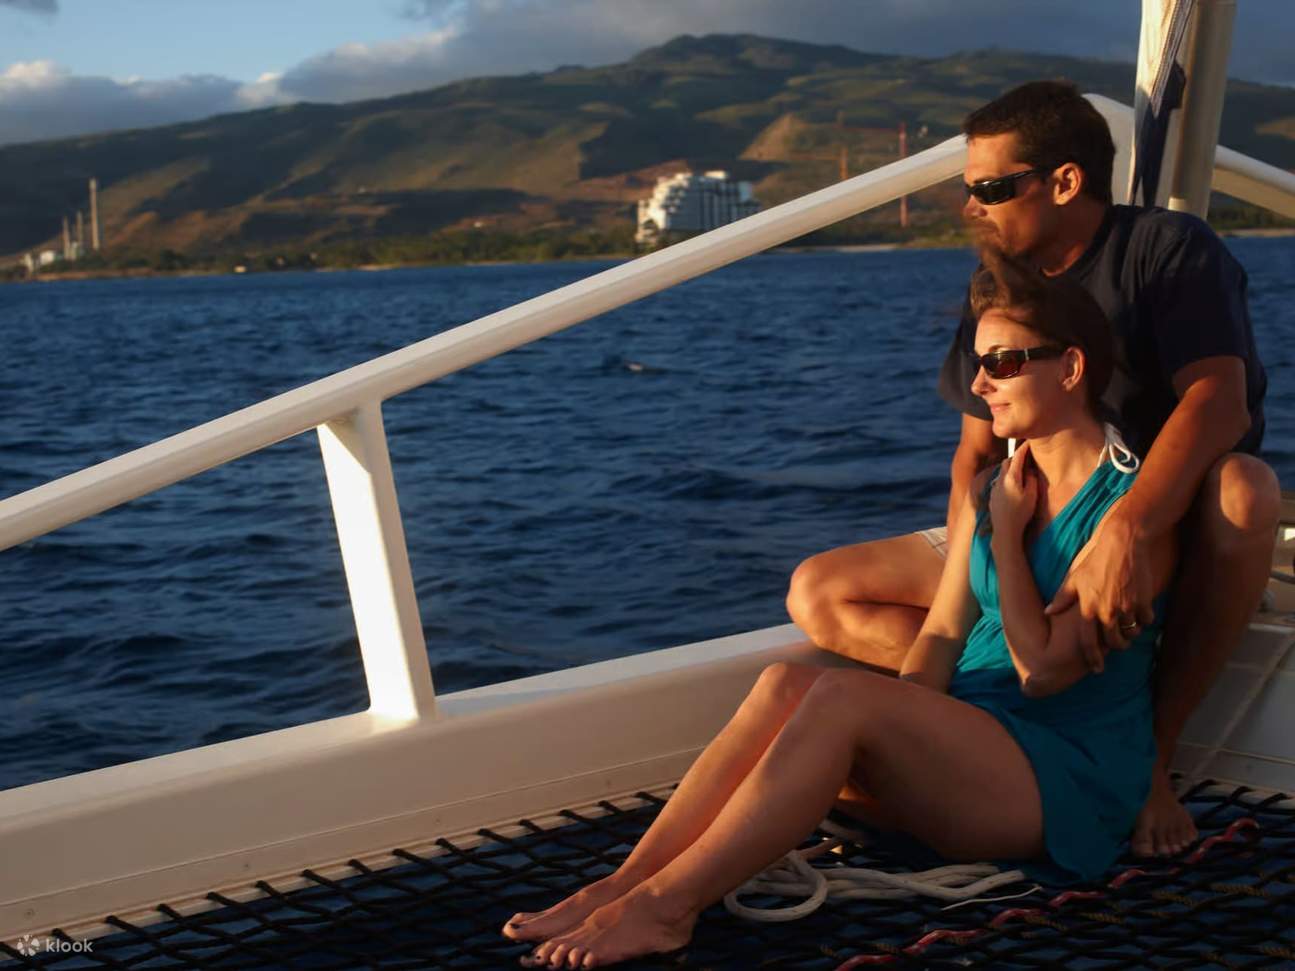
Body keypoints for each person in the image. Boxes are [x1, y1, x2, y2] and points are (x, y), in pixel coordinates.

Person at [500, 256, 1178, 969]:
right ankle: (623, 882)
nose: (978, 384)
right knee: (783, 685)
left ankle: (665, 909)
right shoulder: (1001, 484)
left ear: (1070, 368)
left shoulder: (1130, 521)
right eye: (978, 363)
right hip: (977, 742)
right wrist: (905, 732)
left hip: (1059, 779)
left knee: (842, 696)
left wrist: (1006, 539)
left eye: (1001, 363)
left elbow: (1041, 670)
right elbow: (944, 631)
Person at [786, 80, 1279, 859]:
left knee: (1247, 492)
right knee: (818, 590)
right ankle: (997, 725)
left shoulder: (1166, 249)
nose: (971, 207)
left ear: (1064, 181)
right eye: (967, 189)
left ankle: (1147, 753)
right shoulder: (1002, 288)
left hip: (1151, 520)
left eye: (988, 188)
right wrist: (982, 563)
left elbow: (1218, 403)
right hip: (1035, 521)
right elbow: (975, 452)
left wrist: (1127, 525)